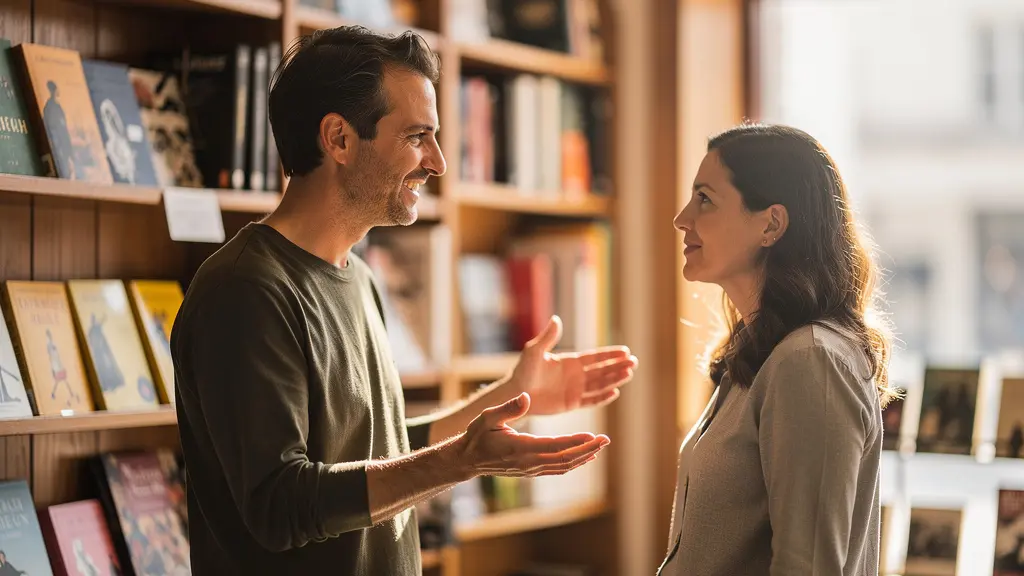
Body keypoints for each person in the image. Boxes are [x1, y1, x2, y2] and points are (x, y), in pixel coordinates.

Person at [170, 25, 637, 576]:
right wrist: (459, 464)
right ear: (339, 139)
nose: (437, 162)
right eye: (417, 137)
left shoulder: (360, 278)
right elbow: (280, 505)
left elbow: (377, 448)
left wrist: (507, 396)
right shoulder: (245, 291)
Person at [660, 123, 895, 575]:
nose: (682, 218)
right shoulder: (758, 353)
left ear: (771, 224)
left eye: (704, 198)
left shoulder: (810, 360)